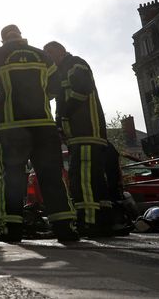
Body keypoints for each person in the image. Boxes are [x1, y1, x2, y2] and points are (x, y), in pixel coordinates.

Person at [0, 25, 78, 243]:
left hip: (12, 127)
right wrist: (40, 99)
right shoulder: (42, 55)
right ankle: (64, 228)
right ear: (20, 35)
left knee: (12, 179)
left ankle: (12, 230)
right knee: (52, 177)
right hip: (44, 127)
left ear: (3, 39)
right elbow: (56, 88)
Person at [43, 41, 112, 237]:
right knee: (96, 179)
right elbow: (59, 98)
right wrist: (60, 124)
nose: (48, 57)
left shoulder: (75, 64)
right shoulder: (60, 72)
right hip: (81, 134)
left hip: (86, 131)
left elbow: (81, 90)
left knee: (82, 179)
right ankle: (105, 220)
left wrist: (64, 116)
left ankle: (88, 222)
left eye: (50, 53)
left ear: (61, 52)